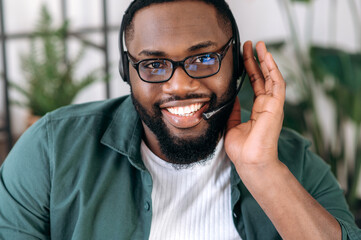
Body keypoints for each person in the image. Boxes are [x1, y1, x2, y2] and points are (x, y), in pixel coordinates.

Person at [0, 0, 360, 239]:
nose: (180, 84)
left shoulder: (291, 162)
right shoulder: (49, 151)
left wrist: (261, 169)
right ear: (127, 72)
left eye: (203, 59)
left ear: (235, 62)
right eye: (154, 65)